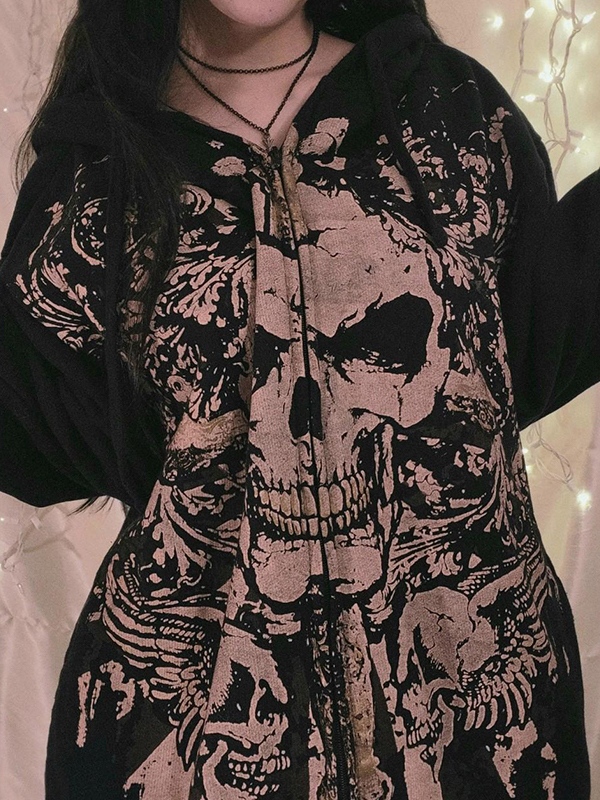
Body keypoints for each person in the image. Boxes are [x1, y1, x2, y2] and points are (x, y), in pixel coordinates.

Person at [0, 0, 598, 797]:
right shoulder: (92, 176)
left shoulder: (447, 113)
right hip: (195, 748)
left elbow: (512, 361)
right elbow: (42, 436)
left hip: (480, 737)